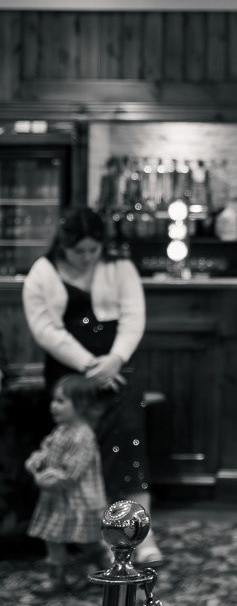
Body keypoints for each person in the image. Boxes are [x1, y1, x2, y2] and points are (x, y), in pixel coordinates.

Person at [22, 205, 162, 568]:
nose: (86, 257)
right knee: (80, 449)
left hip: (119, 367)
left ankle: (140, 534)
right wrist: (90, 366)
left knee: (129, 445)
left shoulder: (121, 267)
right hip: (71, 373)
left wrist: (114, 360)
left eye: (93, 250)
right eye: (78, 251)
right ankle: (93, 537)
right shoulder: (42, 272)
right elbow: (45, 329)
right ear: (63, 245)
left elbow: (133, 317)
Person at [25, 374, 112, 595]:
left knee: (87, 541)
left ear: (81, 405)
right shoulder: (61, 430)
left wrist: (49, 477)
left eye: (61, 401)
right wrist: (38, 460)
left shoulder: (83, 436)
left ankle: (107, 573)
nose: (53, 406)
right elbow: (47, 451)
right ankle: (57, 579)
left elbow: (72, 473)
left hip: (78, 501)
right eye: (53, 400)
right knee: (52, 538)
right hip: (58, 499)